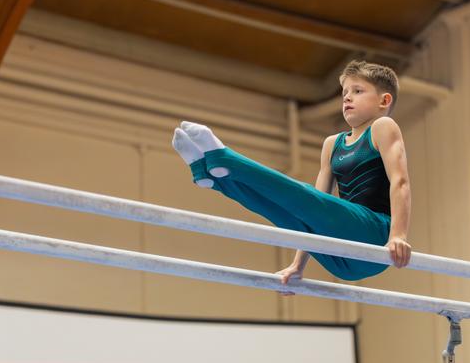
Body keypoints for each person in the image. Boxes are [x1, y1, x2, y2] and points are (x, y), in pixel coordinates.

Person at [172, 60, 412, 294]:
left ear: (384, 100)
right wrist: (298, 266)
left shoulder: (383, 126)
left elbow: (400, 181)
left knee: (298, 195)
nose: (347, 97)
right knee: (282, 211)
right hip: (341, 253)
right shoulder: (332, 144)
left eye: (358, 91)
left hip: (375, 236)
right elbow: (311, 206)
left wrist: (397, 236)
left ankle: (224, 157)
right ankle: (212, 176)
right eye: (345, 92)